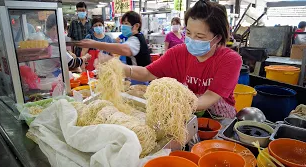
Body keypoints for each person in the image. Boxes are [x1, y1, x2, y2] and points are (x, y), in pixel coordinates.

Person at [83, 1, 242, 118]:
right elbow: (147, 72)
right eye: (188, 33)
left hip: (219, 120)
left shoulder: (230, 60)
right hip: (185, 116)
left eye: (199, 36)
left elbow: (208, 98)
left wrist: (169, 103)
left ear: (218, 37)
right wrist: (117, 67)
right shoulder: (179, 53)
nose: (192, 40)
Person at [77, 11, 151, 84]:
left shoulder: (136, 39)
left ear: (136, 26)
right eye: (123, 24)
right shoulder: (133, 37)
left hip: (140, 79)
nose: (123, 27)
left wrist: (95, 44)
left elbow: (124, 49)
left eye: (126, 24)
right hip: (135, 76)